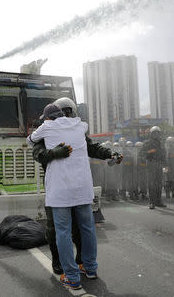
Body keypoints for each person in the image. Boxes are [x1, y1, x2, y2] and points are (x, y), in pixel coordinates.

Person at [32, 98, 114, 276]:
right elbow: (37, 153)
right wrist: (52, 153)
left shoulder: (75, 130)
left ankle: (82, 262)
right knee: (56, 230)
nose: (68, 117)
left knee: (79, 229)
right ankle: (60, 263)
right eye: (66, 113)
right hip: (58, 187)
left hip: (75, 188)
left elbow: (92, 148)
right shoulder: (48, 130)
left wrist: (108, 153)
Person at [27, 103, 98, 290]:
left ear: (48, 118)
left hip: (60, 190)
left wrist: (50, 149)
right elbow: (88, 140)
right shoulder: (80, 125)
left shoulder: (47, 127)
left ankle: (72, 277)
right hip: (83, 188)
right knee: (87, 229)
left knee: (63, 233)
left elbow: (30, 140)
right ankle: (90, 268)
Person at [140, 126, 166, 209]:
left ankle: (159, 201)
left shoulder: (161, 143)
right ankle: (152, 202)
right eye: (154, 133)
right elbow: (141, 154)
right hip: (151, 164)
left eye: (158, 133)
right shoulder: (147, 143)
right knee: (151, 184)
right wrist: (150, 152)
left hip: (159, 164)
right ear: (151, 134)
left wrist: (166, 165)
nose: (156, 134)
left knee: (159, 184)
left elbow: (164, 155)